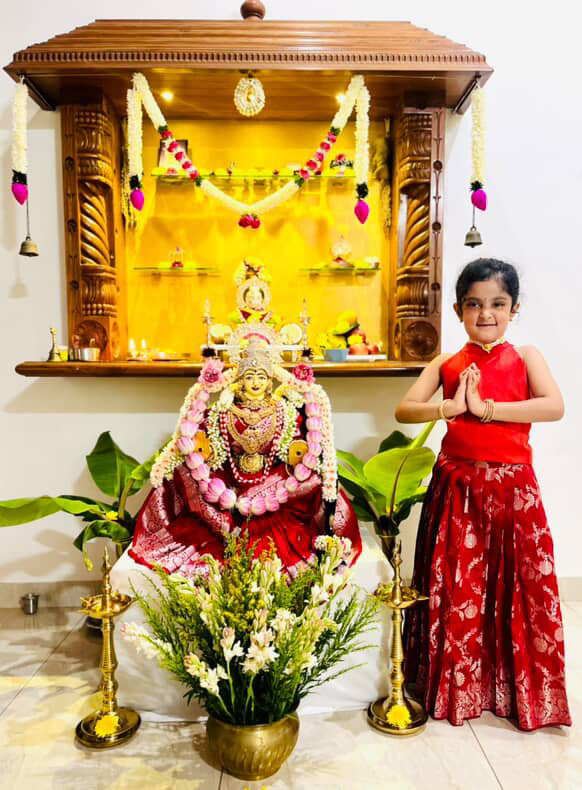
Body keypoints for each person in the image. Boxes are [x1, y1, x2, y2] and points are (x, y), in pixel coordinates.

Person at [396, 258, 571, 731]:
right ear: (458, 310)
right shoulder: (446, 363)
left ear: (514, 308)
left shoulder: (526, 355)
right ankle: (456, 688)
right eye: (474, 304)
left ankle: (516, 691)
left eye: (498, 303)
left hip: (513, 489)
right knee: (459, 589)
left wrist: (486, 409)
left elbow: (553, 406)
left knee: (517, 587)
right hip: (457, 487)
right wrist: (447, 407)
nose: (486, 313)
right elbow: (404, 409)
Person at [130, 335, 361, 576]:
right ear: (240, 380)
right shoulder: (221, 412)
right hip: (228, 493)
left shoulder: (285, 412)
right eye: (250, 377)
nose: (255, 383)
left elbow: (303, 447)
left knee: (313, 479)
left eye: (261, 377)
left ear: (270, 380)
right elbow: (199, 445)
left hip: (275, 491)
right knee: (185, 470)